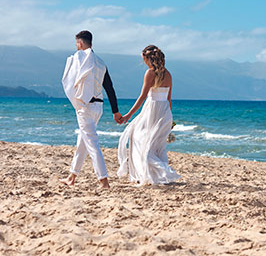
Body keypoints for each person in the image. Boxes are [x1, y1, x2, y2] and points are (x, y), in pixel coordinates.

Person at [60, 30, 123, 189]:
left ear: (80, 43)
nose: (76, 47)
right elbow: (109, 87)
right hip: (98, 106)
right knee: (83, 140)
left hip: (86, 106)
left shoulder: (79, 59)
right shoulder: (101, 62)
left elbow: (69, 80)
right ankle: (72, 176)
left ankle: (104, 181)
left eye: (76, 44)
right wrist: (115, 111)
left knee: (92, 143)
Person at [117, 45, 181, 185]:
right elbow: (169, 99)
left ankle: (156, 173)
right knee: (157, 145)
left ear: (148, 59)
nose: (144, 62)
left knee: (139, 139)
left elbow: (142, 97)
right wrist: (170, 120)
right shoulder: (168, 74)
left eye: (144, 59)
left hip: (152, 110)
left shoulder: (150, 73)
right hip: (164, 111)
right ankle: (157, 174)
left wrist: (128, 115)